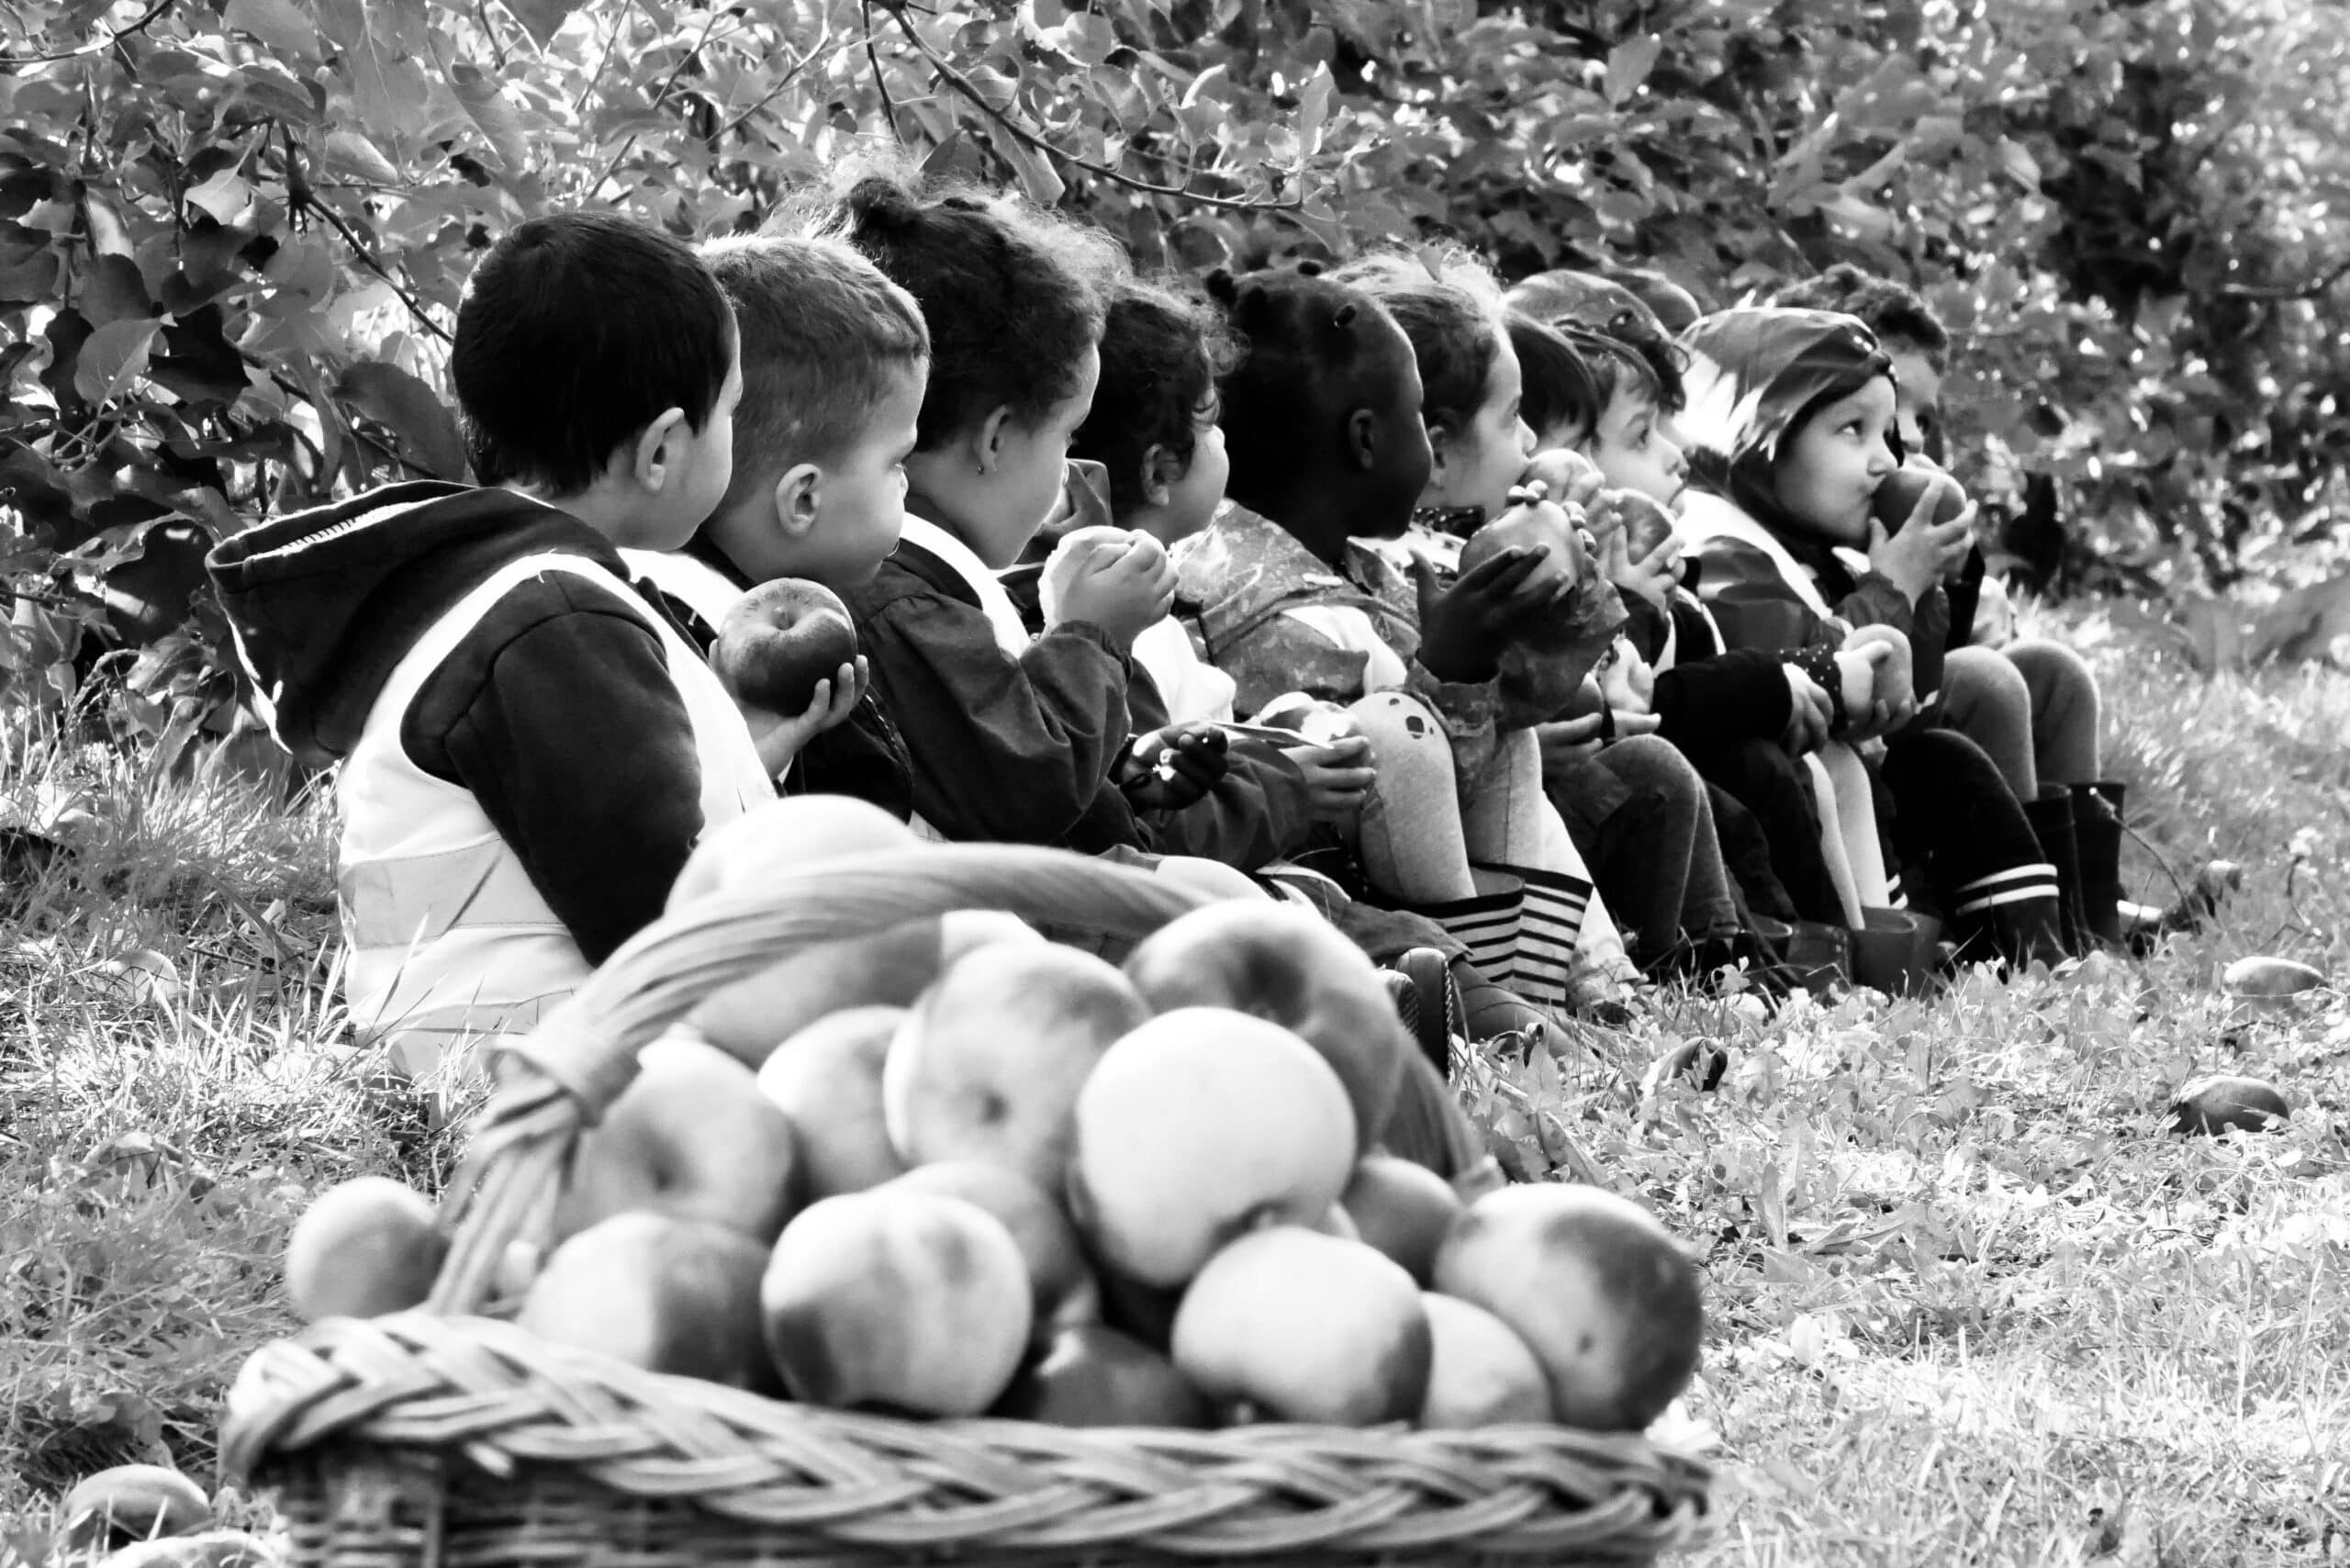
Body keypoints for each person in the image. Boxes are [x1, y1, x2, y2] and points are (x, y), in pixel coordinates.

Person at [207, 212, 837, 1084]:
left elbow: (583, 821)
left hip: (483, 1080)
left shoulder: (504, 600)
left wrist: (739, 768)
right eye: (731, 411)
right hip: (551, 1101)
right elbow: (657, 914)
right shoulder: (553, 617)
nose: (736, 431)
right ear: (661, 449)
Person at [1178, 262, 1649, 1025]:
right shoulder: (1264, 607)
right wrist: (1452, 666)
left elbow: (1527, 714)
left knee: (1517, 746)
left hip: (1397, 885)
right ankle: (1488, 1011)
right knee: (1416, 731)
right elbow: (1379, 786)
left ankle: (1598, 994)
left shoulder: (1371, 562)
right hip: (1327, 901)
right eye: (1418, 415)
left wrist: (1555, 588)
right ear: (1367, 439)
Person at [1337, 248, 1766, 986]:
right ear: (1434, 449)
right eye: (1516, 422)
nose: (1534, 447)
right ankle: (1638, 977)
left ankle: (1714, 967)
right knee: (1648, 772)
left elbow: (1585, 693)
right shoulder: (1428, 563)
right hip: (1406, 879)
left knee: (1665, 769)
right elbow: (1561, 699)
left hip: (1479, 836)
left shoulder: (1450, 547)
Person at [1673, 307, 2068, 969]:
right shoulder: (1719, 552)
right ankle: (1902, 956)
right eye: (1852, 431)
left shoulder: (1824, 553)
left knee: (1942, 758)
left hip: (1864, 801)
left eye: (1887, 434)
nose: (1886, 459)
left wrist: (1926, 588)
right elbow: (1825, 687)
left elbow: (1913, 701)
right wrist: (1894, 588)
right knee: (1933, 762)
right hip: (1798, 821)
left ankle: (2040, 950)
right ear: (1757, 439)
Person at [1764, 263, 2132, 946]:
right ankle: (2025, 929)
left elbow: (1936, 652)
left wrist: (1950, 575)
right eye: (1870, 421)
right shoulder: (1785, 540)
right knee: (1991, 680)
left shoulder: (1857, 516)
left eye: (1918, 420)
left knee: (2051, 671)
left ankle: (2087, 913)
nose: (1903, 443)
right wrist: (1901, 579)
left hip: (1900, 714)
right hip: (1870, 750)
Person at [625, 231, 930, 818]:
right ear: (804, 500)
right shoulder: (697, 647)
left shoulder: (660, 599)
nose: (906, 484)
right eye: (898, 460)